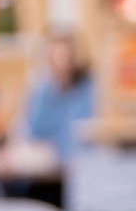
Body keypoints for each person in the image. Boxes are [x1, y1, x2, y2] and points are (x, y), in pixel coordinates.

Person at [22, 29, 97, 163]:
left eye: (66, 55)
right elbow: (34, 129)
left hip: (85, 159)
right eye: (57, 56)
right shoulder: (44, 88)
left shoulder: (88, 86)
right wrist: (51, 88)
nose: (62, 61)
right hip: (54, 161)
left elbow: (87, 127)